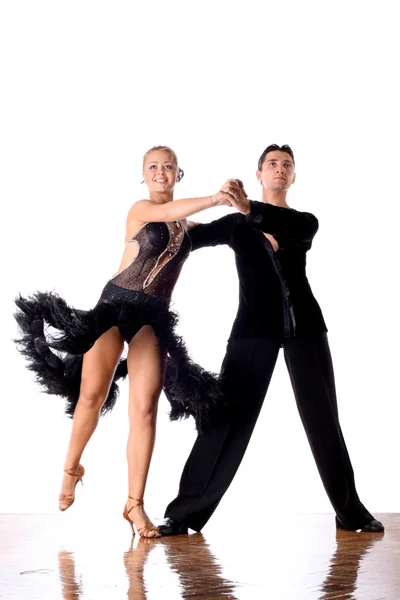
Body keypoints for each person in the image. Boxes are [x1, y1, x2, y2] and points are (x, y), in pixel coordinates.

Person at [159, 144, 384, 535]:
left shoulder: (304, 223)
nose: (280, 169)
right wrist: (165, 214)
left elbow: (286, 232)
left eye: (287, 165)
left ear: (293, 177)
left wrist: (247, 208)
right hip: (252, 330)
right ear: (259, 174)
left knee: (324, 422)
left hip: (306, 331)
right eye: (272, 164)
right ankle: (182, 516)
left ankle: (351, 514)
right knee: (224, 417)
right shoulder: (236, 225)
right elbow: (189, 240)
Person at [14, 145, 234, 538]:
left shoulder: (188, 228)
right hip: (114, 307)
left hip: (152, 318)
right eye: (154, 167)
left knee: (145, 408)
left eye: (169, 167)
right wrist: (216, 198)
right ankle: (71, 468)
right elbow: (169, 213)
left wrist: (250, 217)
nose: (161, 172)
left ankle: (134, 505)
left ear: (178, 173)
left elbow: (219, 232)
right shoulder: (141, 209)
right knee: (92, 395)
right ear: (144, 175)